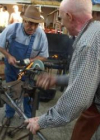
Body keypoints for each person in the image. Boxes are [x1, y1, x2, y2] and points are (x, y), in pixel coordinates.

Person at [25, 0, 100, 140]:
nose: (62, 23)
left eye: (61, 18)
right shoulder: (95, 31)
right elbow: (86, 75)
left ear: (69, 16)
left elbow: (77, 99)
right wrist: (56, 79)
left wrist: (42, 121)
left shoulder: (87, 44)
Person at [0, 5, 49, 125]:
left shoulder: (40, 34)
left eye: (36, 24)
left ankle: (28, 119)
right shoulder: (12, 29)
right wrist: (8, 56)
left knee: (28, 94)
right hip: (11, 68)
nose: (33, 27)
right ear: (23, 20)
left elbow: (44, 55)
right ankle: (9, 115)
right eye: (30, 23)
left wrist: (33, 60)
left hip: (28, 70)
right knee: (10, 92)